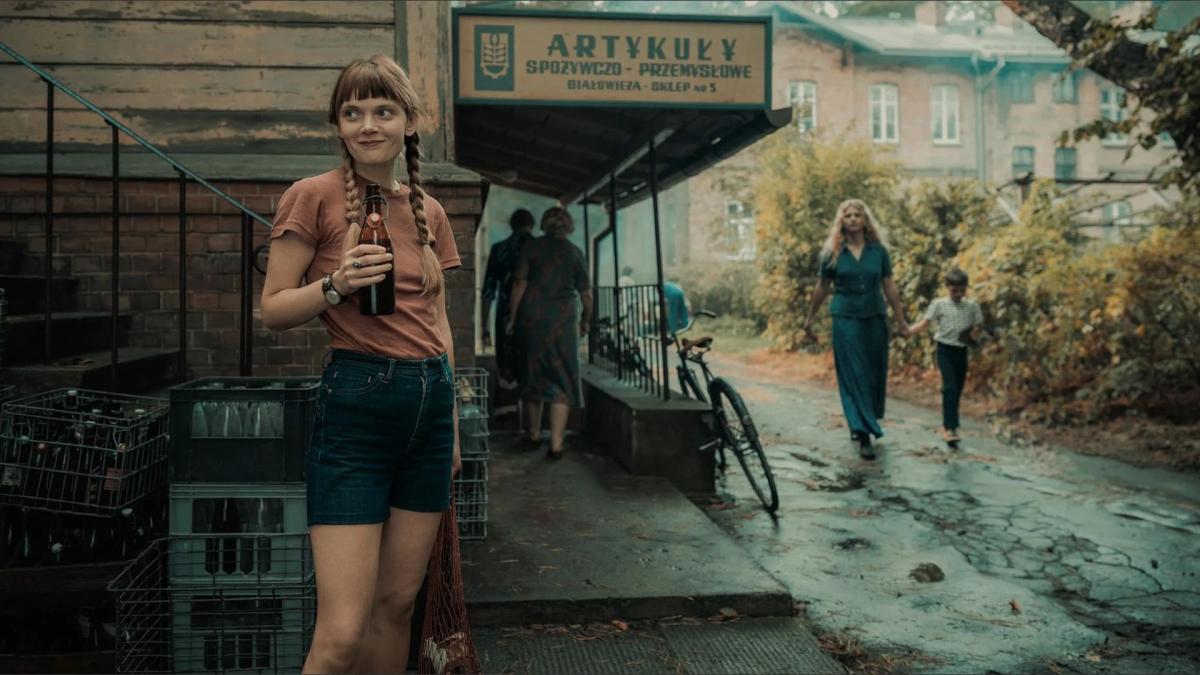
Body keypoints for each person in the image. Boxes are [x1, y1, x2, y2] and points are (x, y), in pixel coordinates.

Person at [260, 54, 462, 673]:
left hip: (429, 408)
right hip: (357, 409)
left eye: (383, 110)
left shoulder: (429, 212)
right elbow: (272, 310)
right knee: (343, 631)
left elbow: (439, 322)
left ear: (408, 122)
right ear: (338, 125)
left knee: (395, 609)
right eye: (353, 112)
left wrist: (451, 424)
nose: (368, 124)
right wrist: (336, 284)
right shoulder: (312, 197)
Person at [802, 198, 910, 460]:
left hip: (874, 316)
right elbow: (822, 288)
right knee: (854, 373)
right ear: (842, 221)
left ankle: (862, 419)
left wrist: (901, 319)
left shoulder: (879, 252)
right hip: (845, 318)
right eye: (847, 216)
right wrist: (809, 319)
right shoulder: (832, 254)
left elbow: (889, 286)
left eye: (856, 216)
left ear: (865, 220)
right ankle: (863, 434)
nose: (852, 220)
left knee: (873, 372)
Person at [505, 207, 592, 459]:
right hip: (563, 322)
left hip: (532, 319)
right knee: (562, 378)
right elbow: (586, 295)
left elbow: (519, 284)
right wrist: (586, 320)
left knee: (533, 373)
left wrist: (512, 318)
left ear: (544, 224)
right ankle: (556, 444)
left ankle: (533, 434)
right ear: (568, 226)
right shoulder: (575, 253)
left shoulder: (531, 249)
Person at [907, 268, 984, 444]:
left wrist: (973, 336)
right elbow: (925, 323)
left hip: (961, 351)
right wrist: (908, 331)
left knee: (957, 388)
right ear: (947, 288)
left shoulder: (972, 306)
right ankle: (950, 428)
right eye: (954, 290)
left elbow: (978, 326)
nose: (958, 294)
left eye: (962, 290)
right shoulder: (939, 304)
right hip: (944, 350)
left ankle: (952, 422)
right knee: (949, 387)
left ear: (966, 288)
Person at [481, 209, 535, 385]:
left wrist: (484, 327)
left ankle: (507, 408)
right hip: (535, 316)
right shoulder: (539, 250)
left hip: (505, 316)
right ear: (531, 225)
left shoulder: (499, 250)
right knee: (532, 374)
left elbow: (488, 292)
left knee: (507, 372)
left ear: (511, 225)